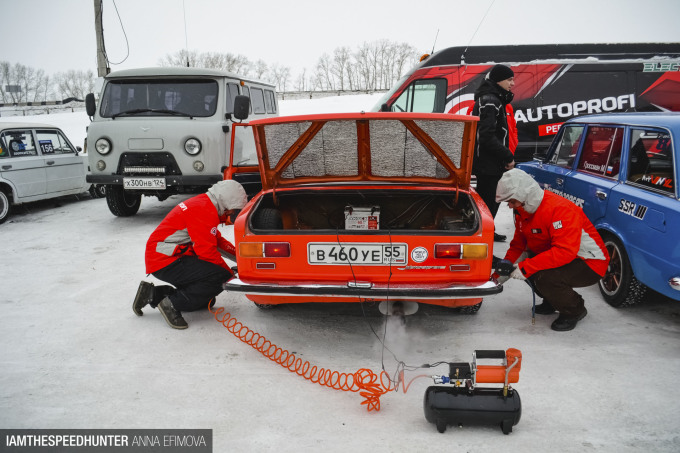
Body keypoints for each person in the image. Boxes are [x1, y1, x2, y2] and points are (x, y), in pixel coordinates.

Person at [496, 169, 610, 331]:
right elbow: (518, 245)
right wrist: (502, 270)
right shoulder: (524, 211)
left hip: (589, 262)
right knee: (532, 269)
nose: (509, 206)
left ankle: (574, 310)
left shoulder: (560, 210)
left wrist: (525, 267)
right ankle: (553, 300)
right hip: (562, 256)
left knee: (544, 276)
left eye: (511, 201)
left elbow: (565, 251)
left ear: (525, 195)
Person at [132, 180, 248, 329]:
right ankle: (171, 304)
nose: (231, 216)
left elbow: (216, 241)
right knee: (219, 278)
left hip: (165, 257)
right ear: (227, 202)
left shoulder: (204, 204)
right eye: (233, 211)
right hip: (164, 260)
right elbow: (207, 252)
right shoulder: (204, 210)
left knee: (206, 299)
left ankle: (152, 294)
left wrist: (241, 258)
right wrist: (228, 275)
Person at [471, 64, 516, 242]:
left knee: (489, 202)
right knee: (489, 203)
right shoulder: (490, 100)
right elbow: (486, 136)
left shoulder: (495, 98)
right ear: (499, 80)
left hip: (490, 163)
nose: (512, 83)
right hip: (487, 164)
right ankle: (483, 239)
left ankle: (487, 232)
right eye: (509, 79)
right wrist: (507, 155)